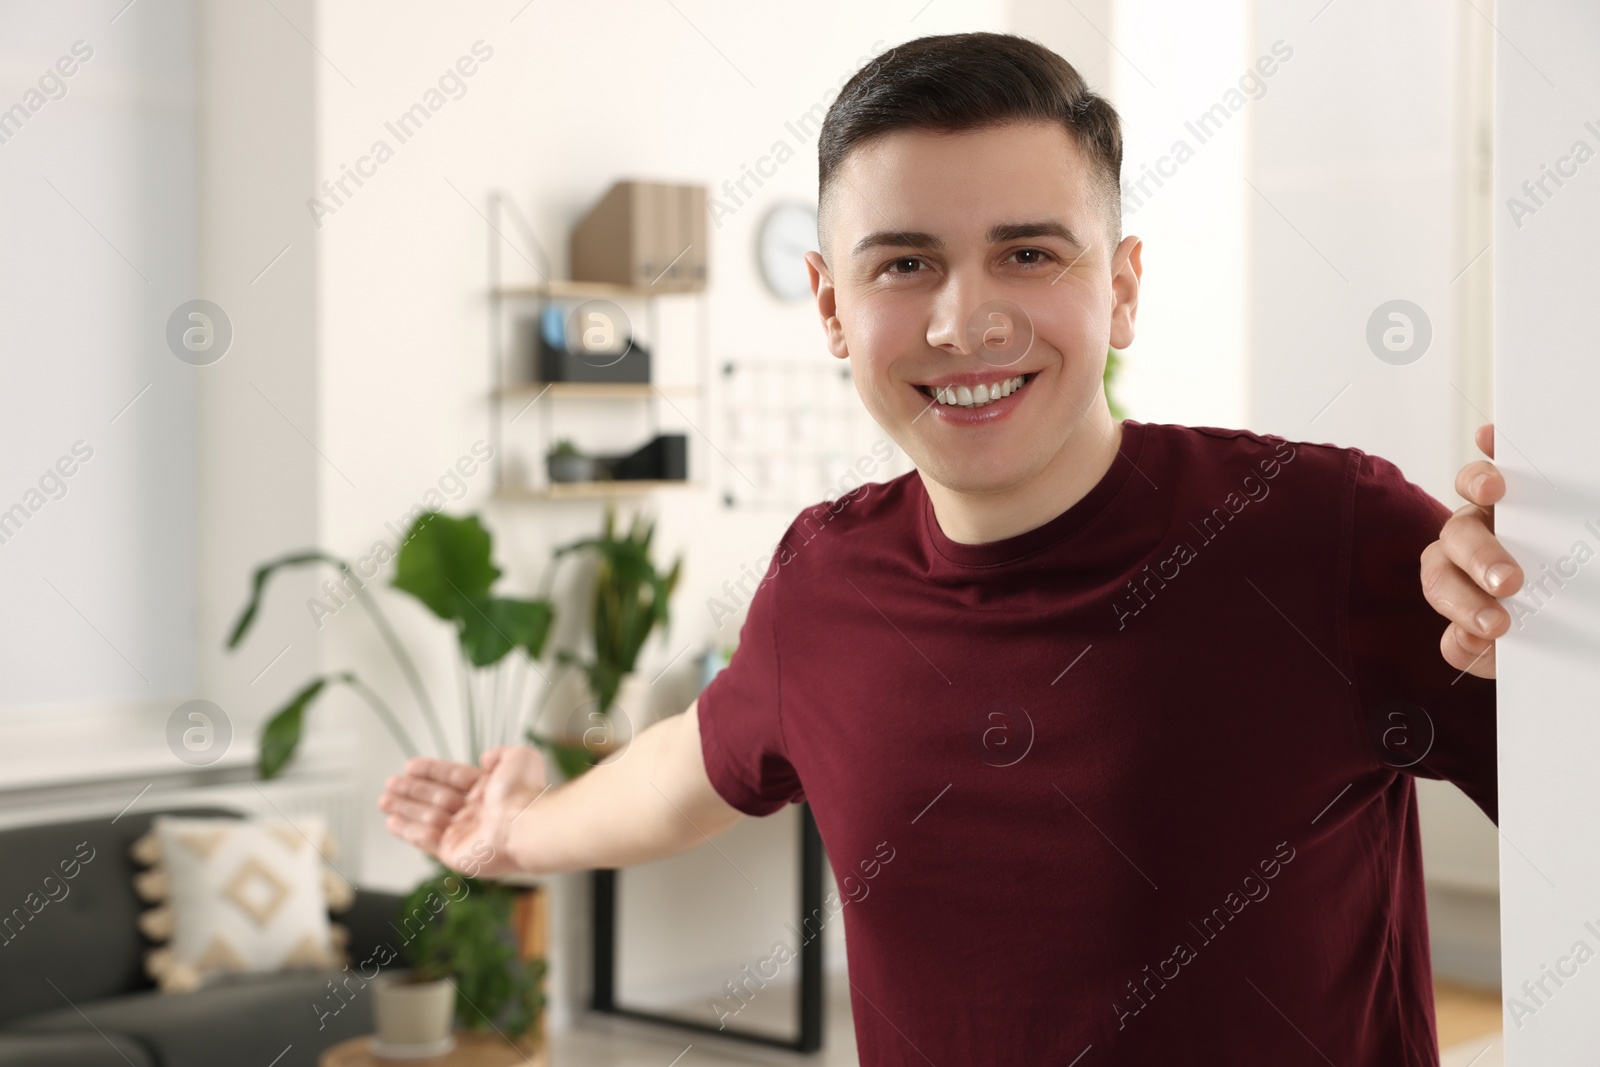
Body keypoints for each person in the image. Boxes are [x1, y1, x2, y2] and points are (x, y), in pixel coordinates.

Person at [380, 32, 1523, 1065]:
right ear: (831, 306)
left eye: (1028, 254)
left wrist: (1553, 611)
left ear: (1120, 288)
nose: (963, 319)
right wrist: (515, 831)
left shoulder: (1321, 529)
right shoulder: (822, 582)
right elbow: (695, 764)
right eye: (904, 263)